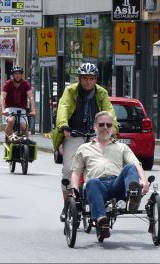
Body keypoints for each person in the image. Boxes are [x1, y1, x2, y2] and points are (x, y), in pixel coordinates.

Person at [52, 62, 117, 221]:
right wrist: (63, 125)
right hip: (73, 134)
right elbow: (64, 107)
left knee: (103, 168)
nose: (88, 82)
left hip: (95, 135)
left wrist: (113, 127)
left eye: (92, 78)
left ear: (96, 79)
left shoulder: (101, 93)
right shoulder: (70, 91)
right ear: (79, 79)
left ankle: (102, 202)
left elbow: (109, 111)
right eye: (85, 78)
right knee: (68, 170)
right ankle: (67, 204)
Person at [71, 111, 149, 239]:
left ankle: (133, 196)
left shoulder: (122, 147)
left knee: (130, 167)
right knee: (92, 182)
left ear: (112, 128)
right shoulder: (84, 148)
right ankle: (102, 221)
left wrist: (144, 181)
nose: (105, 128)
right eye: (102, 125)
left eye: (108, 125)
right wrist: (74, 189)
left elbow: (136, 164)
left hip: (116, 184)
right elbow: (76, 172)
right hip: (97, 186)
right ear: (95, 126)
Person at [0, 65, 36, 140]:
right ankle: (8, 139)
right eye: (15, 73)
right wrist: (3, 109)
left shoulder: (25, 84)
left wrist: (33, 110)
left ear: (21, 75)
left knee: (24, 127)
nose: (17, 75)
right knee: (11, 120)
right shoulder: (8, 84)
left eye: (19, 73)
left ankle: (26, 144)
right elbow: (2, 97)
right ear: (12, 75)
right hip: (10, 109)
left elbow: (31, 97)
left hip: (22, 109)